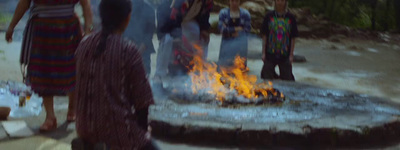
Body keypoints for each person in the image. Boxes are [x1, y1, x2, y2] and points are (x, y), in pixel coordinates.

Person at [74, 0, 156, 149]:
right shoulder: (128, 50)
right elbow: (142, 103)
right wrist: (142, 134)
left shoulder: (84, 44)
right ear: (128, 18)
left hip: (83, 127)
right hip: (114, 130)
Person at [5, 0, 93, 131]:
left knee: (72, 70)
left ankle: (72, 108)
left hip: (68, 29)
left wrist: (88, 29)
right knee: (43, 72)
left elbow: (85, 4)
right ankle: (50, 116)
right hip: (42, 30)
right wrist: (11, 26)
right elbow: (24, 2)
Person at [154, 0, 213, 79]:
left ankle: (199, 71)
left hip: (186, 20)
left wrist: (203, 29)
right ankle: (159, 73)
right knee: (167, 40)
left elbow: (204, 15)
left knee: (201, 38)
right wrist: (177, 37)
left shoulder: (207, 2)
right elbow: (174, 18)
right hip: (169, 24)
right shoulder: (180, 2)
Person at [260, 0, 298, 81]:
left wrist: (291, 55)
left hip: (285, 54)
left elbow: (293, 37)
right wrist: (263, 53)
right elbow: (264, 35)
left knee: (288, 80)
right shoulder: (269, 16)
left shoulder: (291, 18)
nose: (280, 2)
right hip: (270, 53)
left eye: (282, 1)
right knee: (265, 77)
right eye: (278, 0)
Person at [124, 0, 156, 77]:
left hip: (143, 51)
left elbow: (149, 34)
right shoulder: (124, 8)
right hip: (125, 48)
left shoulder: (149, 10)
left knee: (143, 75)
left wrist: (139, 50)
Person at [217, 0, 251, 67]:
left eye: (236, 1)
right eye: (232, 1)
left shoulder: (245, 14)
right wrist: (235, 29)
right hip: (226, 43)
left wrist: (228, 30)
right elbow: (221, 29)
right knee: (224, 68)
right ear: (229, 1)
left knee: (240, 68)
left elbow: (247, 30)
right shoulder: (223, 13)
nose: (234, 3)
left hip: (241, 44)